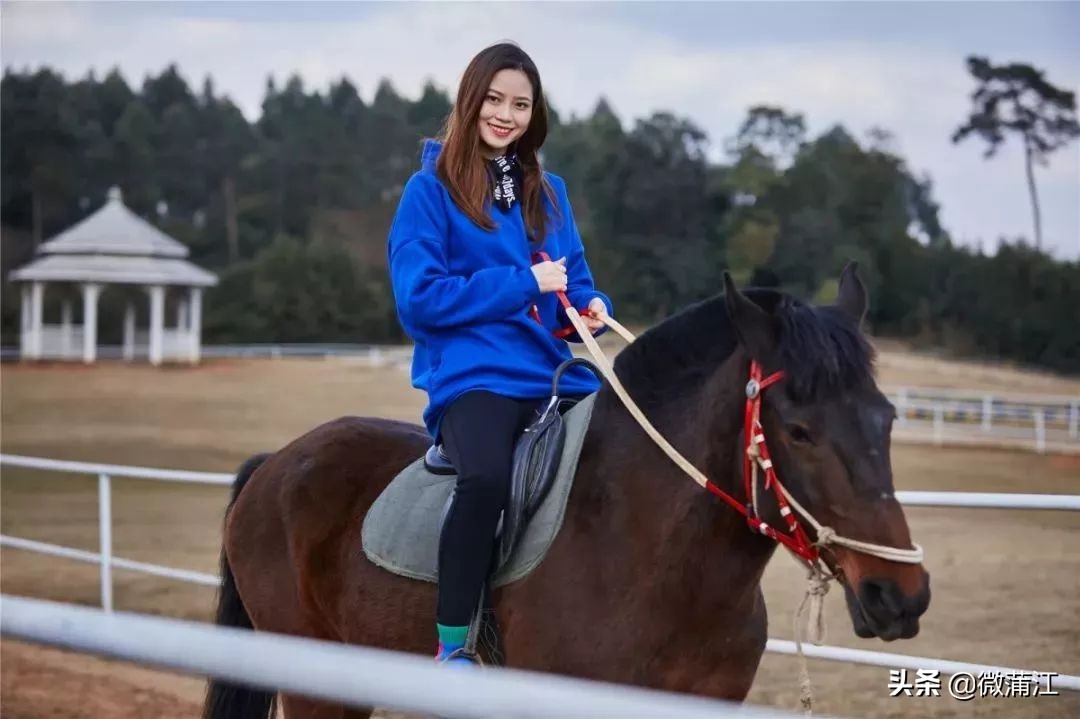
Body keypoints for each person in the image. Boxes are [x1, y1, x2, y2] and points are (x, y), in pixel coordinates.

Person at [387, 42, 614, 665]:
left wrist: (590, 308)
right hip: (475, 377)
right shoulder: (428, 191)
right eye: (494, 99)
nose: (505, 115)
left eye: (520, 104)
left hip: (558, 377)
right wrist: (522, 284)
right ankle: (452, 646)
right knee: (485, 479)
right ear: (470, 100)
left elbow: (572, 283)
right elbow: (419, 299)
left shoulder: (551, 193)